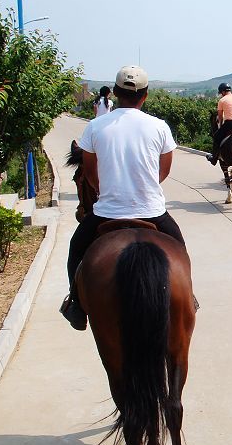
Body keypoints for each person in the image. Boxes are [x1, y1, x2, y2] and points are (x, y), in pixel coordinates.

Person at [60, 65, 188, 330]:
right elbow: (162, 172)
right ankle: (188, 298)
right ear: (146, 95)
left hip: (107, 211)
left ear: (116, 93)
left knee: (76, 248)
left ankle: (75, 304)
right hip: (151, 210)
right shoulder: (159, 127)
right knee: (180, 250)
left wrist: (108, 189)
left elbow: (92, 174)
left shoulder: (95, 127)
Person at [208, 82, 232, 165]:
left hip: (230, 123)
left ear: (223, 92)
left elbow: (220, 116)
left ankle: (214, 158)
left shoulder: (222, 100)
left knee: (217, 137)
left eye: (221, 93)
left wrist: (221, 125)